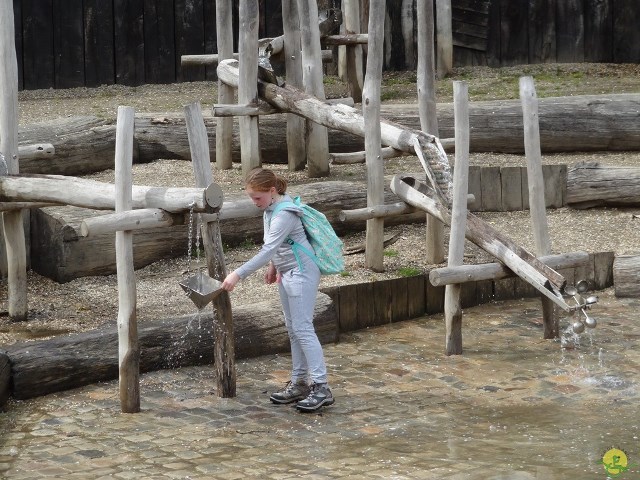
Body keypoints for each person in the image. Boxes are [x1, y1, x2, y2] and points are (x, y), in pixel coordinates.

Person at [221, 167, 334, 412]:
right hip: (287, 273)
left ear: (272, 191)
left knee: (303, 328)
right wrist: (275, 266)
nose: (254, 202)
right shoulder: (270, 208)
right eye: (251, 197)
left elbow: (267, 249)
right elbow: (277, 245)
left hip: (302, 272)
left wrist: (237, 274)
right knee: (293, 328)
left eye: (257, 198)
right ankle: (300, 382)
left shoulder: (284, 213)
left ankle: (322, 386)